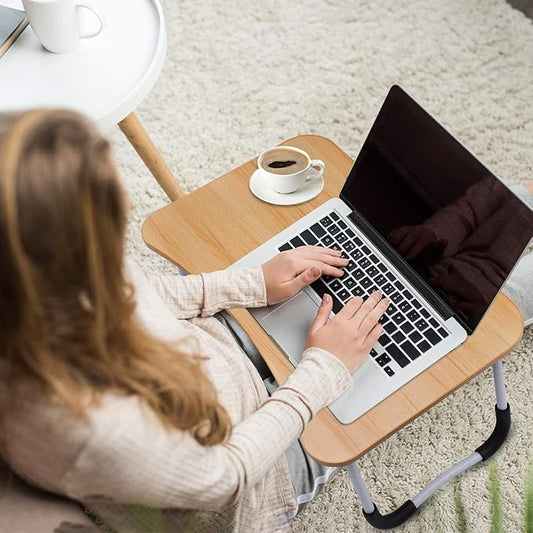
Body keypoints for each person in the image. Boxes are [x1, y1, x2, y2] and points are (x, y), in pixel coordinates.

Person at [0, 109, 389, 532]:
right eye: (112, 205)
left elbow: (142, 291)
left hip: (210, 362)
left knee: (334, 312)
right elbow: (227, 475)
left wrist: (253, 283)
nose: (128, 204)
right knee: (380, 374)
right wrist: (321, 372)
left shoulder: (41, 278)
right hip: (253, 480)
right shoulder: (95, 428)